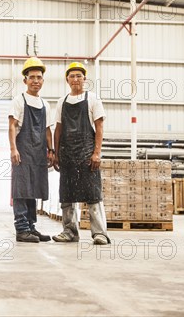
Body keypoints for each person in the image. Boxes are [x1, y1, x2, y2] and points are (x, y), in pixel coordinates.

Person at [52, 62, 110, 245]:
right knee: (67, 195)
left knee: (93, 194)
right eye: (72, 76)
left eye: (79, 75)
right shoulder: (62, 102)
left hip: (87, 154)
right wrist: (56, 153)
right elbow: (58, 130)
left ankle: (99, 233)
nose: (76, 79)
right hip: (67, 154)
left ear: (85, 79)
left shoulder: (93, 99)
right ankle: (69, 231)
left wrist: (97, 153)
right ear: (67, 80)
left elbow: (99, 128)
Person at [8, 57, 54, 243]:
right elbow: (12, 126)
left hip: (38, 153)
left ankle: (31, 227)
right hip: (23, 151)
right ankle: (21, 229)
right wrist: (13, 149)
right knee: (21, 189)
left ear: (43, 80)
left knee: (33, 189)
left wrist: (51, 150)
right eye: (32, 77)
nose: (36, 80)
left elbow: (47, 130)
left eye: (39, 77)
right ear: (25, 80)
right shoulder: (19, 101)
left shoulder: (45, 104)